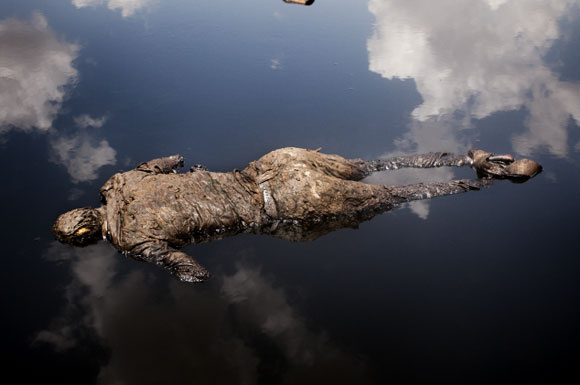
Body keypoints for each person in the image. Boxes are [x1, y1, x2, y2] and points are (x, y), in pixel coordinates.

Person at [53, 147, 541, 282]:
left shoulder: (132, 243)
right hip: (274, 165)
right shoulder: (120, 181)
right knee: (373, 165)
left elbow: (195, 274)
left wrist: (184, 276)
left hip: (281, 206)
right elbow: (174, 158)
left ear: (86, 238)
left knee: (396, 196)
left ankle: (480, 182)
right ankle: (472, 157)